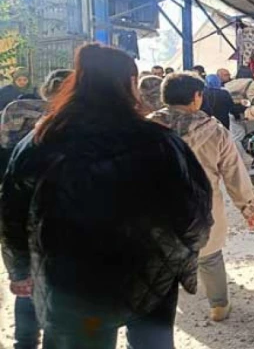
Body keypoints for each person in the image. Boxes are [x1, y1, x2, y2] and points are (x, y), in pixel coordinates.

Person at [0, 43, 213, 348]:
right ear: (130, 84)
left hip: (72, 280)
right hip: (150, 272)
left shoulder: (41, 141)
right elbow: (195, 210)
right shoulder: (159, 141)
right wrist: (182, 255)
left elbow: (12, 211)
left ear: (78, 80)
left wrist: (20, 269)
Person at [148, 73, 254, 322]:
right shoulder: (214, 130)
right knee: (210, 257)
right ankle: (219, 306)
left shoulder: (146, 129)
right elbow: (234, 174)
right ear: (196, 97)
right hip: (202, 209)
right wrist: (250, 209)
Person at [0, 69, 72, 349]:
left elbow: (4, 149)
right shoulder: (77, 123)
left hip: (20, 203)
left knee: (27, 286)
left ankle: (25, 342)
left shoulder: (17, 109)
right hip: (61, 216)